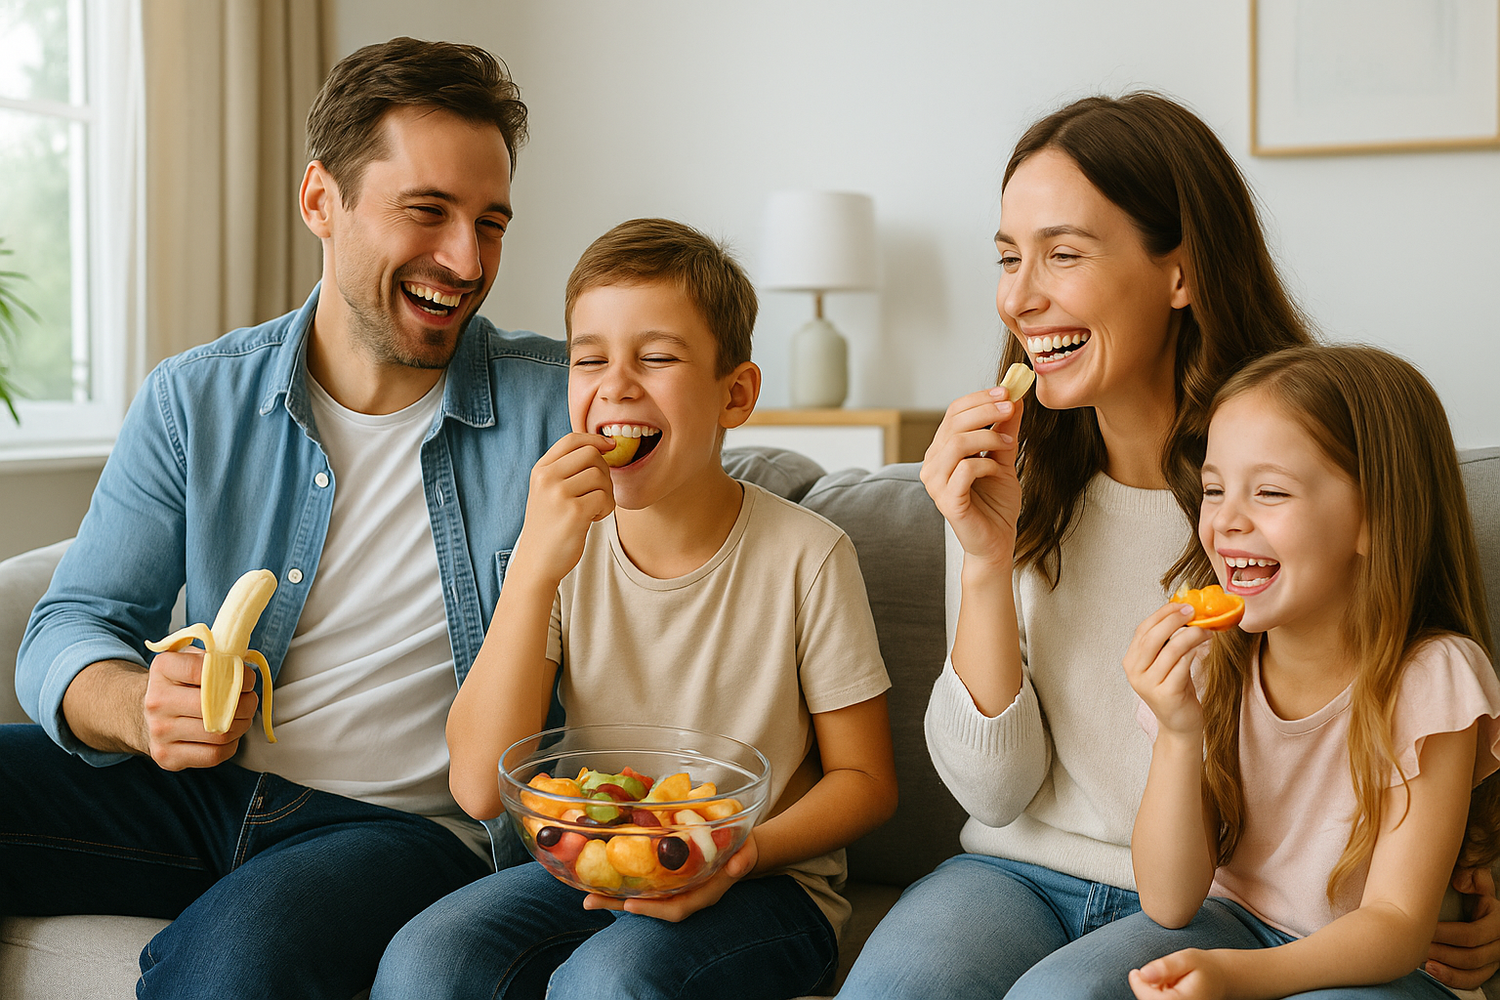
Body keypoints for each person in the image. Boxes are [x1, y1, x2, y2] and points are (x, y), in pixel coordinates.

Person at [834, 92, 1500, 999]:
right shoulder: (1002, 478)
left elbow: (1392, 696)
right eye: (1006, 258)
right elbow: (993, 795)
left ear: (1179, 272)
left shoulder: (1298, 486)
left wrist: (1462, 875)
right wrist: (987, 558)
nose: (1019, 298)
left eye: (1063, 253)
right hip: (1021, 872)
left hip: (1210, 899)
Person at [0, 37, 572, 999]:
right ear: (321, 201)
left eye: (491, 222)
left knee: (231, 966)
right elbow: (69, 626)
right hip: (197, 794)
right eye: (428, 212)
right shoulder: (197, 400)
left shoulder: (557, 404)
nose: (467, 260)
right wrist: (140, 709)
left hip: (403, 829)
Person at [368, 217, 898, 1000]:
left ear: (735, 394)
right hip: (597, 859)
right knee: (426, 960)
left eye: (656, 357)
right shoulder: (560, 547)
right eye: (590, 359)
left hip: (768, 883)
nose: (616, 384)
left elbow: (866, 780)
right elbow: (481, 788)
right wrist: (534, 570)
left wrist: (737, 850)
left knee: (610, 981)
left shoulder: (809, 556)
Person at [1022, 344, 1500, 1000]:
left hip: (1381, 969)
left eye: (1270, 492)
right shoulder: (1216, 662)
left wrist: (1243, 978)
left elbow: (1396, 924)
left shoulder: (1432, 680)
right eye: (1215, 490)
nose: (1226, 521)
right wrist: (1178, 731)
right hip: (1229, 923)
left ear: (1375, 518)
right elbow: (1167, 901)